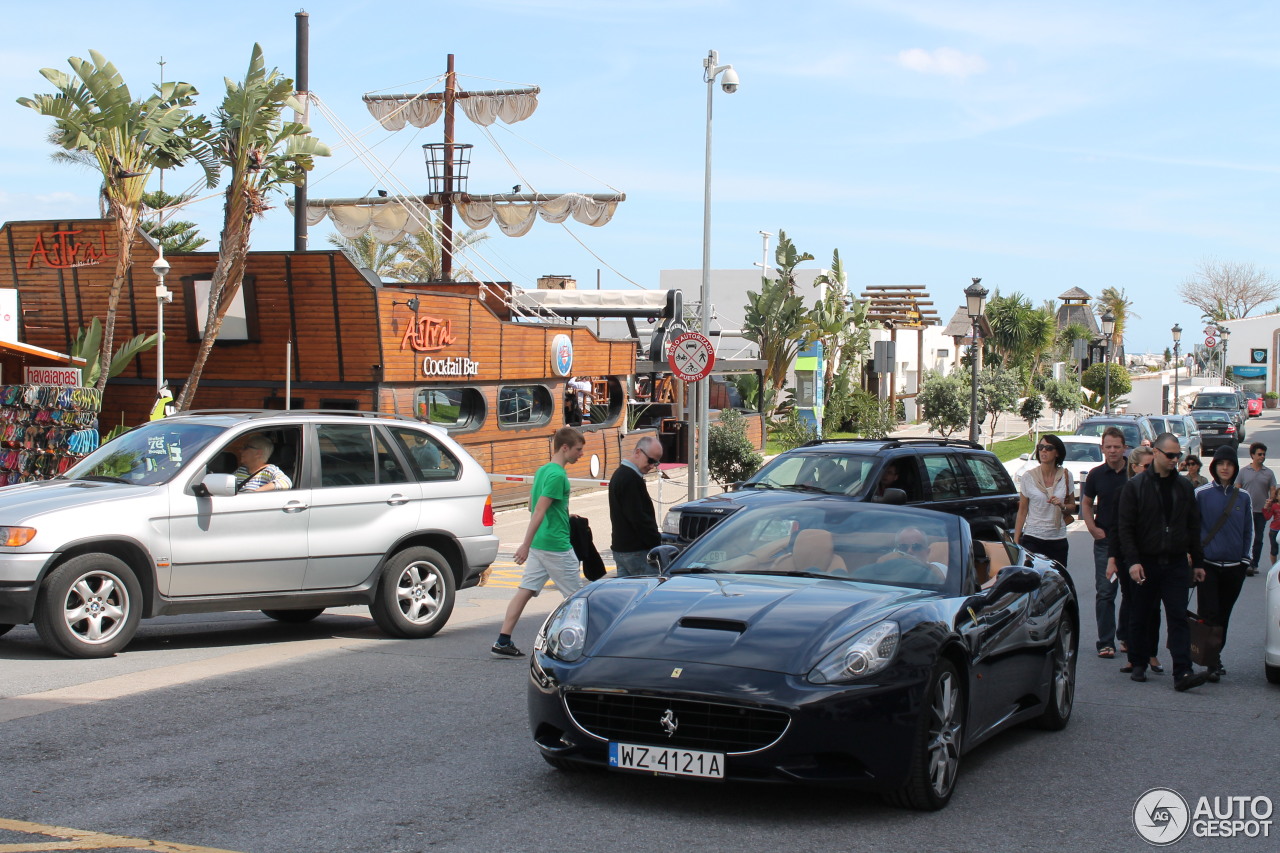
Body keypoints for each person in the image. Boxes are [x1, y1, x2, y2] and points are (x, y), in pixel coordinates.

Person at [1116, 432, 1210, 691]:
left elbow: (1193, 526)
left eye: (1177, 455)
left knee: (1178, 616)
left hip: (1176, 562)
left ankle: (1183, 671)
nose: (1175, 460)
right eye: (1170, 455)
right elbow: (1126, 528)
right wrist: (1133, 561)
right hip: (1146, 561)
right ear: (1155, 453)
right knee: (1142, 613)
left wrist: (1198, 563)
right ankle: (1138, 662)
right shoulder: (1135, 487)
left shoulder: (1183, 487)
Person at [492, 427, 586, 658]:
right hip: (556, 544)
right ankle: (574, 644)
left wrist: (564, 515)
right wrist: (524, 544)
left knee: (525, 590)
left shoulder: (543, 471)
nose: (581, 454)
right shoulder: (557, 475)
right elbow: (539, 511)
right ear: (565, 448)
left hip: (540, 543)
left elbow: (532, 506)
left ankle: (503, 640)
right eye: (578, 449)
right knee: (577, 598)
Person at [1195, 444, 1252, 683]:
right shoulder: (1202, 493)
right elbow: (1194, 529)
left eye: (1229, 464)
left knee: (1224, 616)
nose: (1225, 468)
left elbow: (1249, 530)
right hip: (1208, 565)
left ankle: (1216, 655)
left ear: (1235, 468)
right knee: (1209, 614)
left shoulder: (1244, 497)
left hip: (1234, 567)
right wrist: (1195, 559)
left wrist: (1245, 559)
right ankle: (1210, 661)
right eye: (1221, 464)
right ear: (1214, 467)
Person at [1110, 447, 1163, 674]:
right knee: (1133, 605)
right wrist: (1112, 559)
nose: (1152, 470)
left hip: (1155, 557)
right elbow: (1115, 529)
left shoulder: (1162, 490)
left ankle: (1151, 653)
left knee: (1153, 607)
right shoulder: (1124, 491)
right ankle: (1134, 657)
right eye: (1147, 466)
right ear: (1135, 468)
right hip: (1128, 558)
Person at [1082, 427, 1127, 659]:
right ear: (1102, 448)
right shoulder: (1096, 474)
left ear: (1124, 448)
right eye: (1108, 447)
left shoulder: (1135, 472)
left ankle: (1126, 637)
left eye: (1116, 447)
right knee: (1106, 592)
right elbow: (1087, 503)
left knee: (1132, 593)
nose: (1112, 451)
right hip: (1105, 542)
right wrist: (1092, 527)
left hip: (1131, 544)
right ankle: (1106, 642)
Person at [1013, 434, 1075, 568]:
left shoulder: (1066, 475)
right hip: (1033, 538)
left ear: (1057, 453)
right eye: (1040, 447)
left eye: (1048, 448)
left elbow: (1072, 507)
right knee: (1033, 580)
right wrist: (1017, 539)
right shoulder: (1028, 477)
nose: (1043, 451)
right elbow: (1022, 510)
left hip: (1057, 539)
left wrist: (1062, 505)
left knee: (1057, 580)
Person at [608, 435, 663, 577]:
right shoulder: (630, 479)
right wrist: (656, 542)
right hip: (636, 551)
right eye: (650, 460)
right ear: (638, 452)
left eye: (656, 463)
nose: (652, 466)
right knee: (647, 594)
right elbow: (639, 518)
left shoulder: (620, 474)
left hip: (621, 548)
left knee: (627, 595)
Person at [1235, 442, 1275, 576]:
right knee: (1244, 537)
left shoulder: (1268, 473)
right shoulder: (1244, 471)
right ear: (1252, 455)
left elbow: (1273, 489)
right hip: (1245, 511)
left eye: (1264, 454)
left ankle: (1254, 564)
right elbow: (1237, 489)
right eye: (1259, 454)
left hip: (1260, 512)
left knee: (1258, 538)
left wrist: (1270, 501)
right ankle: (1243, 562)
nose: (1262, 457)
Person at [1263, 487, 1280, 567]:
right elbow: (1267, 517)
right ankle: (1274, 567)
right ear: (1276, 496)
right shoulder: (1274, 506)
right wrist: (1266, 508)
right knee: (1274, 550)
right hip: (1274, 530)